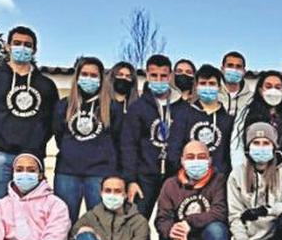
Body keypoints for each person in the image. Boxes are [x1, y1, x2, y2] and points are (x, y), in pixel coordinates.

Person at [0, 26, 60, 210]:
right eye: (17, 43)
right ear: (7, 46)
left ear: (34, 50)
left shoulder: (46, 85)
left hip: (32, 156)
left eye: (27, 45)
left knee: (32, 210)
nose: (22, 48)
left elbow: (52, 121)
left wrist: (36, 142)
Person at [155, 140, 230, 240]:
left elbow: (220, 212)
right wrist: (171, 230)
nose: (196, 161)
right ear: (182, 160)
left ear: (209, 160)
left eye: (201, 157)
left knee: (216, 229)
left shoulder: (219, 180)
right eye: (190, 157)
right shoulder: (170, 185)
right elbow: (161, 220)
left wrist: (188, 223)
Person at [52, 56, 123, 222]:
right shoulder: (64, 105)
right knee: (64, 224)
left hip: (100, 174)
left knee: (101, 224)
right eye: (84, 74)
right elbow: (58, 134)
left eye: (93, 75)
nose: (88, 79)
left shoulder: (112, 107)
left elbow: (118, 140)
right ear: (77, 78)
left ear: (101, 79)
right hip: (67, 173)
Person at [121, 54, 177, 219]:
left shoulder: (180, 107)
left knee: (169, 225)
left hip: (173, 178)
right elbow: (129, 145)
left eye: (163, 76)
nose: (159, 80)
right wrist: (131, 180)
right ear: (147, 75)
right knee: (136, 223)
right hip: (143, 177)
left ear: (170, 76)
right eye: (154, 75)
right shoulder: (137, 108)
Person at [167, 64, 235, 175]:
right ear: (196, 87)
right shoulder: (183, 114)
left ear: (219, 87)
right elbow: (173, 151)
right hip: (188, 180)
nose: (207, 87)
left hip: (218, 183)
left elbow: (229, 155)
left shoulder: (228, 120)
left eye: (212, 84)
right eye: (203, 83)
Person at [235, 70, 282, 168]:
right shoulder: (247, 112)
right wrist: (240, 171)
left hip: (280, 171)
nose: (273, 91)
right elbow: (236, 145)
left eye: (278, 87)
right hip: (251, 171)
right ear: (261, 90)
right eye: (268, 87)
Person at [221, 50, 250, 118]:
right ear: (222, 69)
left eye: (238, 66)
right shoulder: (213, 95)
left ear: (244, 71)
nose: (234, 69)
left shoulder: (251, 99)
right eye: (230, 65)